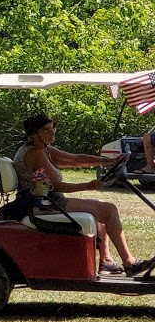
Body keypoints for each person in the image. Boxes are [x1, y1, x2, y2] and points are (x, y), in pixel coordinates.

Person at [15, 113, 145, 276]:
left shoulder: (44, 149)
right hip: (42, 204)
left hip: (47, 200)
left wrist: (109, 161)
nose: (52, 132)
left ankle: (106, 261)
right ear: (34, 135)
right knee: (108, 210)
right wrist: (89, 185)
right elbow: (59, 186)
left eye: (53, 128)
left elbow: (75, 159)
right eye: (47, 130)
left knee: (100, 207)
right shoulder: (35, 153)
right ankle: (129, 262)